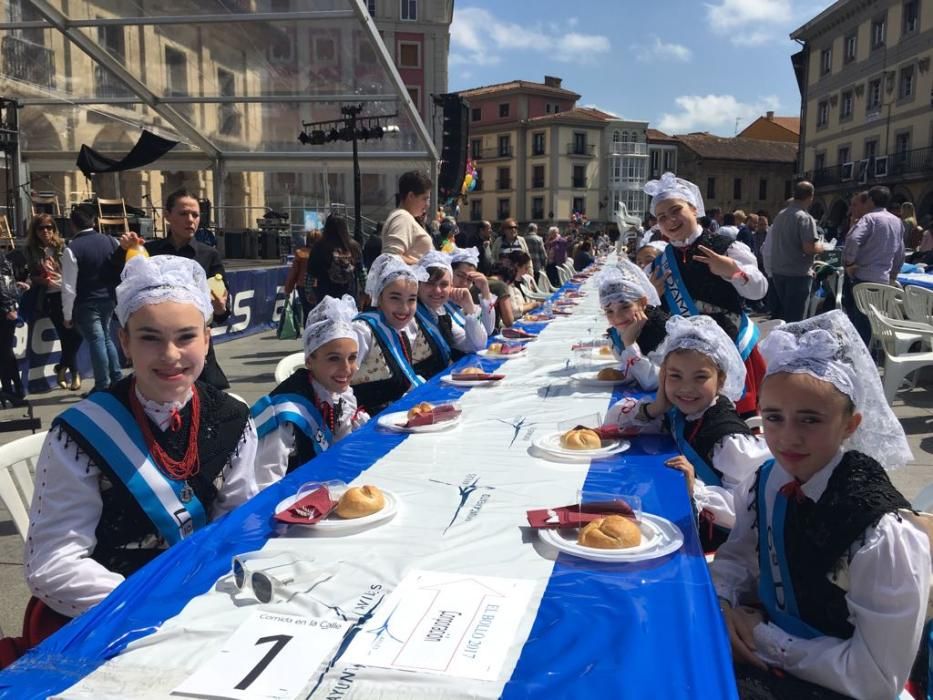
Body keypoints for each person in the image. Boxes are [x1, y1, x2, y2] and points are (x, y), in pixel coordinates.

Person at [21, 255, 264, 648]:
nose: (170, 355)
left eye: (186, 337)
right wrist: (152, 607)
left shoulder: (232, 417)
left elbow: (237, 524)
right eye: (150, 337)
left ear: (207, 338)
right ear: (124, 342)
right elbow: (54, 563)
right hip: (108, 614)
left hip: (202, 604)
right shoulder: (80, 433)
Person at [711, 311, 927, 700]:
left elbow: (875, 679)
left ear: (850, 425)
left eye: (810, 419)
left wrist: (762, 636)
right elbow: (738, 556)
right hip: (771, 649)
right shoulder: (766, 481)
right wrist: (724, 605)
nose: (787, 438)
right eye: (774, 417)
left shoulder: (879, 533)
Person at [606, 315, 770, 551]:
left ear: (720, 380)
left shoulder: (728, 440)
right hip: (676, 513)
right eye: (675, 376)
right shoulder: (681, 411)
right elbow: (614, 420)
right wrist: (656, 408)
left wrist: (697, 489)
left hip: (710, 546)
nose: (685, 388)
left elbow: (749, 511)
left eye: (700, 377)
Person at [644, 172, 768, 417]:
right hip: (685, 362)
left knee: (733, 421)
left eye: (675, 210)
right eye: (661, 217)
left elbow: (759, 290)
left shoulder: (726, 246)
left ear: (693, 208)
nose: (669, 221)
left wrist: (733, 272)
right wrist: (653, 297)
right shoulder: (659, 263)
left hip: (732, 348)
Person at [118, 189, 232, 389]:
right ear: (167, 216)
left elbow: (221, 312)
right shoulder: (148, 252)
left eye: (195, 215)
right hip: (155, 348)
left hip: (193, 349)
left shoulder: (209, 255)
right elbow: (117, 282)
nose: (191, 220)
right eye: (183, 214)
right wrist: (124, 251)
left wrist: (221, 308)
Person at [252, 295, 369, 488]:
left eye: (352, 358)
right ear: (309, 361)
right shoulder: (285, 415)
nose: (347, 369)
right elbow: (265, 485)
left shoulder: (338, 393)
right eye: (334, 358)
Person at [350, 254, 445, 414]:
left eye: (411, 299)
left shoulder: (400, 328)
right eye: (395, 298)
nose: (404, 308)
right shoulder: (362, 331)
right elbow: (338, 384)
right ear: (379, 298)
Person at [62, 207, 123, 393]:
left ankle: (103, 384)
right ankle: (117, 378)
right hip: (109, 298)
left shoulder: (72, 249)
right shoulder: (111, 241)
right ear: (94, 221)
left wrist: (67, 314)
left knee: (98, 340)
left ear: (72, 225)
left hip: (87, 301)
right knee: (105, 338)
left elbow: (68, 286)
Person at [24, 215, 83, 391]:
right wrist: (43, 281)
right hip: (50, 295)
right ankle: (75, 374)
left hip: (68, 293)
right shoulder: (30, 250)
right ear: (35, 231)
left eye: (49, 227)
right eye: (41, 228)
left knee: (77, 334)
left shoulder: (63, 245)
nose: (46, 231)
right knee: (66, 335)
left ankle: (61, 367)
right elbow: (31, 276)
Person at [843, 186, 906, 345]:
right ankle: (873, 354)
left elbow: (853, 239)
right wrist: (893, 275)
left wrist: (849, 263)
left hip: (863, 278)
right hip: (883, 281)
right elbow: (900, 252)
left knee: (860, 322)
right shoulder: (897, 222)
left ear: (871, 200)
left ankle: (859, 355)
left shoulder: (869, 219)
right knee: (876, 321)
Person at [597, 260, 667, 390]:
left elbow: (653, 382)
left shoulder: (662, 332)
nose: (617, 317)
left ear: (643, 302)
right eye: (609, 311)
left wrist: (629, 343)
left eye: (625, 307)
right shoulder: (619, 331)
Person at [415, 251, 488, 360]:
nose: (437, 290)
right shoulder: (410, 315)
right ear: (418, 284)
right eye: (430, 283)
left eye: (444, 284)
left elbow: (476, 346)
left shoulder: (441, 312)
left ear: (451, 286)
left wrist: (470, 308)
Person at [767, 181, 822, 323]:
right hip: (797, 274)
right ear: (811, 196)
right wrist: (822, 247)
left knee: (784, 316)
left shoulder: (781, 215)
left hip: (779, 271)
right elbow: (809, 248)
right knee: (796, 320)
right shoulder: (804, 218)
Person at [307, 215, 364, 305]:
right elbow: (361, 271)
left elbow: (310, 273)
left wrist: (308, 291)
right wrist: (365, 290)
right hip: (349, 294)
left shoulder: (319, 247)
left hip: (325, 294)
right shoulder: (353, 246)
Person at [381, 171, 433, 264]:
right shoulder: (402, 217)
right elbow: (391, 256)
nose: (427, 204)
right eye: (425, 198)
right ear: (411, 196)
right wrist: (426, 265)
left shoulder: (404, 217)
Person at [450, 246, 499, 334]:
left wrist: (485, 290)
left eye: (469, 279)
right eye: (460, 275)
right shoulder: (441, 304)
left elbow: (488, 329)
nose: (464, 283)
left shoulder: (467, 303)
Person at [0, 249, 26, 403]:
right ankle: (12, 389)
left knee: (5, 351)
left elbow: (3, 279)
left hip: (4, 310)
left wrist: (9, 306)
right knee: (4, 351)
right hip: (6, 308)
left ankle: (13, 389)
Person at [283, 232, 314, 323]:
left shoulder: (300, 254)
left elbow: (293, 273)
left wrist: (288, 289)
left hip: (303, 286)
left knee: (307, 311)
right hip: (319, 286)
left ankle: (307, 331)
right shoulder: (323, 253)